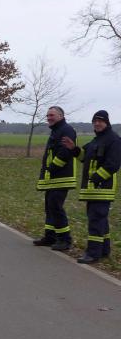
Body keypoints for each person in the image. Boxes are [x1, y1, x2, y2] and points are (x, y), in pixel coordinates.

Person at [62, 110, 121, 264]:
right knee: (100, 220)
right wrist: (74, 149)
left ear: (107, 122)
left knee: (96, 220)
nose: (97, 123)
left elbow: (113, 164)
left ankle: (93, 253)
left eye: (100, 121)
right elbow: (84, 157)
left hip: (102, 188)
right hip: (92, 189)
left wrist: (96, 178)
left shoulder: (114, 140)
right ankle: (104, 250)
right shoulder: (96, 140)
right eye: (95, 121)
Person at [33, 106, 77, 250]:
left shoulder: (67, 130)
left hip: (61, 178)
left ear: (61, 116)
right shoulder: (57, 130)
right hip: (53, 178)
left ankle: (65, 239)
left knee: (56, 208)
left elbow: (65, 153)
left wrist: (52, 167)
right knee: (50, 207)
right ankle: (50, 237)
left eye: (51, 115)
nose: (49, 118)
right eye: (47, 116)